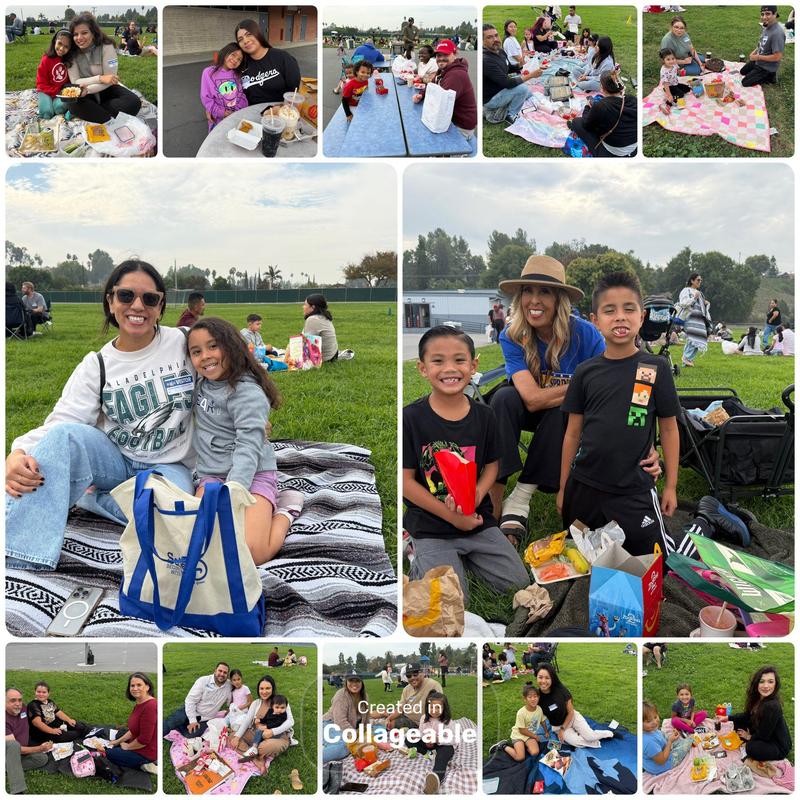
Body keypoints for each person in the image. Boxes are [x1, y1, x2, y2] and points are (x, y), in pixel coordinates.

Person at [6, 260, 196, 571]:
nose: (138, 306)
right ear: (110, 301)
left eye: (149, 299)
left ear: (160, 306)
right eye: (125, 296)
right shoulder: (96, 364)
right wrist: (17, 452)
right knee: (63, 439)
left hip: (169, 464)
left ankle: (92, 500)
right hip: (116, 459)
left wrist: (249, 415)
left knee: (172, 515)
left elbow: (231, 369)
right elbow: (63, 422)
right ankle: (22, 555)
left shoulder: (184, 343)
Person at [488, 256, 632, 540]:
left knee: (564, 409)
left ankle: (520, 498)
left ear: (559, 300)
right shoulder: (512, 335)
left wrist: (579, 391)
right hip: (530, 408)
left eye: (544, 292)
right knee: (503, 399)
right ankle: (494, 498)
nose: (534, 300)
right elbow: (530, 399)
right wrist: (581, 384)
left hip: (571, 415)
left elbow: (608, 382)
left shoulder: (585, 333)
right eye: (527, 291)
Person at [402, 326, 530, 605]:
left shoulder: (485, 416)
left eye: (459, 360)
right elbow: (406, 482)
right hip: (431, 524)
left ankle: (463, 558)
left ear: (473, 366)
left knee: (518, 583)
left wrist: (476, 495)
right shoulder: (411, 418)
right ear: (422, 368)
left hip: (477, 521)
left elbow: (493, 466)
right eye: (438, 361)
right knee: (452, 600)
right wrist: (451, 518)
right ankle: (417, 551)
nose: (450, 369)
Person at [558, 272, 680, 560]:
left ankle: (705, 522)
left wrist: (671, 486)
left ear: (643, 316)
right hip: (584, 488)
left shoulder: (655, 368)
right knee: (582, 556)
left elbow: (670, 430)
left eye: (629, 309)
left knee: (658, 562)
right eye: (609, 310)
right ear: (595, 319)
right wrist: (563, 487)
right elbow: (572, 433)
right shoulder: (585, 372)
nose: (620, 317)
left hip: (633, 490)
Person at [188, 317, 303, 566]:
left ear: (232, 346)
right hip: (212, 475)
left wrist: (235, 490)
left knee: (253, 553)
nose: (205, 356)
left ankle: (286, 510)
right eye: (196, 351)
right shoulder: (200, 383)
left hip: (252, 476)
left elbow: (249, 445)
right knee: (199, 544)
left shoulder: (246, 392)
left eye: (213, 346)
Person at [64, 13, 142, 124]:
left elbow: (110, 80)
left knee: (133, 102)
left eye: (84, 33)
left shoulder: (107, 46)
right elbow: (76, 82)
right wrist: (99, 78)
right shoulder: (71, 52)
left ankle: (98, 115)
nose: (79, 38)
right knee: (71, 102)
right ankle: (107, 117)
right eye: (75, 34)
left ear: (93, 33)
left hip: (106, 88)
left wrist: (90, 89)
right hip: (83, 92)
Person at [720, 666, 791, 762]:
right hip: (763, 730)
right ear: (756, 683)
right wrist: (728, 717)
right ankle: (750, 738)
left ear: (775, 684)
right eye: (762, 681)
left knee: (751, 748)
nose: (766, 686)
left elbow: (764, 735)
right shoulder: (757, 698)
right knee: (737, 723)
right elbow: (747, 715)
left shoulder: (772, 706)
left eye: (770, 681)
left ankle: (750, 742)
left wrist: (749, 737)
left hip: (777, 744)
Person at [536, 663, 615, 748]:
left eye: (547, 678)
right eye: (540, 677)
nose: (543, 681)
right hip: (558, 726)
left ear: (552, 679)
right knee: (577, 743)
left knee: (590, 737)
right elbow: (532, 715)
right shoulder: (536, 697)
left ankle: (607, 734)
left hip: (572, 718)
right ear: (536, 677)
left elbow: (570, 712)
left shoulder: (560, 690)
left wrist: (563, 730)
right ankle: (590, 739)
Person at [230, 676, 294, 774]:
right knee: (232, 737)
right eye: (262, 688)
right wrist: (237, 737)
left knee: (263, 748)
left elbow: (290, 721)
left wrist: (272, 731)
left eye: (268, 688)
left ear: (273, 689)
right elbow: (247, 721)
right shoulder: (256, 703)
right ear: (258, 690)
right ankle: (256, 759)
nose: (264, 691)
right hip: (257, 734)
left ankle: (253, 752)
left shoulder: (280, 701)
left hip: (277, 736)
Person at [567, 70, 637, 157]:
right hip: (633, 146)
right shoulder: (633, 99)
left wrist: (587, 107)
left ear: (601, 87)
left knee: (576, 122)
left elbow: (586, 124)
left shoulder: (601, 106)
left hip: (613, 151)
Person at [482, 24, 541, 125]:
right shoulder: (486, 60)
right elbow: (508, 83)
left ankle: (524, 101)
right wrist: (531, 75)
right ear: (482, 41)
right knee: (522, 88)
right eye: (490, 37)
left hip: (500, 89)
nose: (495, 39)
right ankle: (511, 115)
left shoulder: (500, 51)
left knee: (526, 90)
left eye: (496, 35)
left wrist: (520, 65)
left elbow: (508, 67)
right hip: (490, 99)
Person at [235, 18, 301, 104]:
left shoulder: (283, 58)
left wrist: (282, 108)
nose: (245, 41)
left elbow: (293, 92)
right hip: (250, 113)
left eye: (249, 34)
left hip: (280, 113)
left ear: (258, 33)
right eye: (240, 39)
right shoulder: (241, 64)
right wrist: (211, 105)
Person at [102, 672, 157, 770]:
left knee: (108, 753)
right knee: (118, 736)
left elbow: (144, 740)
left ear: (147, 687)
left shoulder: (150, 706)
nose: (135, 688)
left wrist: (128, 747)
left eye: (139, 685)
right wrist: (117, 742)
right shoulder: (140, 703)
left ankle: (145, 764)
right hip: (137, 741)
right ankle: (122, 747)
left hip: (146, 752)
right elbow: (133, 730)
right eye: (132, 685)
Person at [425, 40, 477, 141]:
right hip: (451, 119)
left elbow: (441, 105)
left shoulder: (456, 75)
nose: (441, 58)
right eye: (438, 55)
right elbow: (432, 85)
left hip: (460, 126)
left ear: (455, 54)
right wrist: (421, 95)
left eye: (445, 55)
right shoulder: (444, 69)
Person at [162, 662, 232, 737]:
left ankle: (181, 725)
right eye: (220, 671)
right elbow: (190, 701)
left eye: (225, 672)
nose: (222, 674)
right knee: (170, 723)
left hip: (205, 718)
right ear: (215, 671)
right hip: (191, 710)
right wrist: (192, 721)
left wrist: (230, 708)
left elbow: (238, 690)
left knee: (190, 735)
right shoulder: (203, 681)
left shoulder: (229, 686)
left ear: (227, 675)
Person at [6, 688, 52, 795]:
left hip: (24, 747)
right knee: (13, 745)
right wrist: (40, 748)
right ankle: (18, 791)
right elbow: (17, 750)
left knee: (42, 758)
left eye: (20, 700)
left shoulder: (22, 708)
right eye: (13, 700)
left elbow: (36, 714)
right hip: (8, 753)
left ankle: (10, 767)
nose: (18, 704)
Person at [323, 671, 371, 763]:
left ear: (362, 682)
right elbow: (340, 721)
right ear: (346, 681)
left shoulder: (364, 697)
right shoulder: (341, 695)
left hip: (348, 729)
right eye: (351, 680)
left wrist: (367, 734)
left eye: (357, 681)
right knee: (344, 746)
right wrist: (355, 738)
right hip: (330, 723)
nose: (354, 684)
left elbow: (366, 720)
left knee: (377, 731)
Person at [417, 692, 459, 794]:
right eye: (432, 707)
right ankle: (430, 752)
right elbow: (421, 732)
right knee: (409, 739)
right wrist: (425, 739)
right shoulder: (424, 718)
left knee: (442, 756)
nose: (434, 711)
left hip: (444, 745)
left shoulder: (448, 722)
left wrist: (437, 740)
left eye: (438, 708)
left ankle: (435, 780)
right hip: (430, 745)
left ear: (444, 708)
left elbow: (454, 739)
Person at [200, 43, 248, 130]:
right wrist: (222, 112)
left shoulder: (237, 75)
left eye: (239, 59)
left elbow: (240, 95)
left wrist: (236, 112)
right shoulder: (209, 72)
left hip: (235, 116)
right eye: (233, 55)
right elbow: (206, 98)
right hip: (218, 119)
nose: (235, 60)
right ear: (225, 53)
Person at [26, 682, 90, 744]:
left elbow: (58, 712)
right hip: (43, 733)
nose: (41, 694)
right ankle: (83, 734)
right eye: (38, 692)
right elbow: (37, 723)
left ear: (48, 693)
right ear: (35, 692)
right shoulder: (33, 705)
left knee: (78, 725)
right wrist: (52, 731)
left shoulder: (49, 702)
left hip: (56, 725)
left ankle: (89, 730)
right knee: (74, 734)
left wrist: (69, 720)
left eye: (44, 692)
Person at [385, 664, 442, 730]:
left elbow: (440, 706)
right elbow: (400, 709)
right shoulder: (406, 689)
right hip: (405, 714)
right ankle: (371, 716)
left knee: (389, 725)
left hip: (417, 721)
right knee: (384, 713)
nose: (412, 678)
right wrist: (388, 719)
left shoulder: (433, 685)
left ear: (422, 673)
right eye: (409, 676)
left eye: (415, 674)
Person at [499, 683, 547, 761]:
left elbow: (542, 721)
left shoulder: (539, 709)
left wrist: (546, 731)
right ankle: (503, 746)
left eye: (535, 696)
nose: (533, 699)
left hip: (529, 736)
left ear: (538, 697)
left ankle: (525, 746)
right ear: (525, 699)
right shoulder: (521, 713)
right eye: (530, 697)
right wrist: (535, 737)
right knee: (520, 757)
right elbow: (522, 730)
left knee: (535, 752)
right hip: (519, 735)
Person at [642, 701, 692, 774]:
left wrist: (670, 738)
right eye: (649, 721)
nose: (655, 722)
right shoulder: (649, 742)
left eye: (655, 717)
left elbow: (661, 736)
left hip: (661, 750)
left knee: (671, 737)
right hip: (662, 765)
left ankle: (673, 742)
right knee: (688, 742)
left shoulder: (650, 730)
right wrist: (670, 742)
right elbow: (662, 761)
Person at [741, 6, 785, 87]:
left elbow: (777, 57)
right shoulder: (766, 26)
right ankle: (756, 69)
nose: (764, 17)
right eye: (762, 14)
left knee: (745, 82)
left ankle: (770, 77)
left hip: (767, 67)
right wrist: (753, 53)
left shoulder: (777, 33)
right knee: (742, 72)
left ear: (775, 14)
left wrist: (757, 57)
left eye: (768, 14)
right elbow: (762, 44)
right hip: (759, 60)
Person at [35, 29, 71, 120]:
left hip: (60, 92)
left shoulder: (70, 61)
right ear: (55, 41)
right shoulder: (46, 59)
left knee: (59, 109)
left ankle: (57, 105)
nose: (62, 48)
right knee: (47, 113)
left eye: (66, 47)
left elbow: (70, 82)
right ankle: (48, 104)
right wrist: (54, 91)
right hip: (45, 90)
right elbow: (41, 83)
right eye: (59, 44)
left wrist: (62, 92)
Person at [676, 273, 710, 367]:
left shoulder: (700, 293)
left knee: (699, 338)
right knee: (692, 337)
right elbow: (683, 303)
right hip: (689, 317)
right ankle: (686, 358)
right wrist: (694, 298)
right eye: (698, 280)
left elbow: (701, 306)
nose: (700, 282)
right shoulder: (685, 290)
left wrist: (705, 303)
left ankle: (688, 360)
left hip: (699, 319)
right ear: (692, 280)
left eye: (701, 280)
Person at [241, 693, 288, 758]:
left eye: (282, 708)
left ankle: (257, 746)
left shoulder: (283, 715)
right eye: (277, 707)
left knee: (261, 732)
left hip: (276, 732)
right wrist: (260, 720)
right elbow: (266, 719)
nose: (280, 709)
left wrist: (266, 727)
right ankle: (254, 747)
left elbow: (277, 723)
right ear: (272, 706)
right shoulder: (270, 711)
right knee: (259, 731)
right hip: (267, 729)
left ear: (286, 707)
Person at [303, 294, 340, 362]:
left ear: (313, 307)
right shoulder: (323, 316)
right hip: (333, 354)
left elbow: (307, 343)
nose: (303, 307)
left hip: (326, 358)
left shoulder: (313, 319)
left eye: (305, 305)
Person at [657, 49, 691, 115]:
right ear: (663, 60)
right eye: (668, 59)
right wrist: (669, 95)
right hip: (669, 87)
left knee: (687, 88)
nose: (671, 61)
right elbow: (666, 84)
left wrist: (681, 72)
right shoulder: (664, 71)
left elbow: (677, 70)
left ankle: (673, 94)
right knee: (681, 94)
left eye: (673, 58)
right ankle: (667, 103)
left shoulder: (674, 64)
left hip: (675, 83)